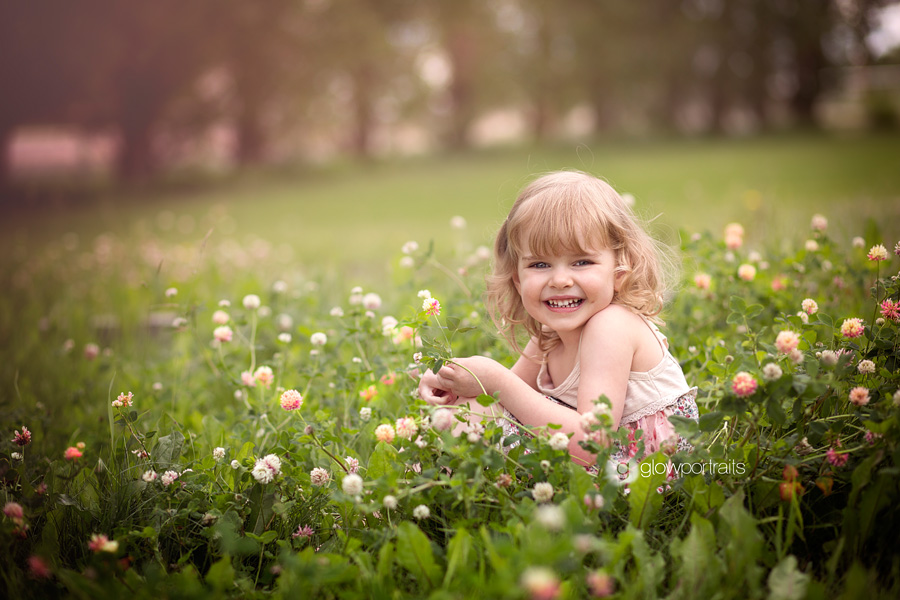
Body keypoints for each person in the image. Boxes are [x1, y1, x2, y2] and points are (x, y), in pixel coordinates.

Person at [417, 170, 698, 467]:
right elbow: (495, 399)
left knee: (479, 421)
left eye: (582, 262)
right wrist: (447, 380)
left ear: (618, 274)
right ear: (518, 280)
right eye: (540, 264)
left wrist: (495, 379)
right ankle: (418, 496)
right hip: (593, 463)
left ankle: (434, 495)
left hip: (642, 468)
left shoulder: (612, 326)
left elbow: (591, 444)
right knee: (466, 412)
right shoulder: (548, 339)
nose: (560, 280)